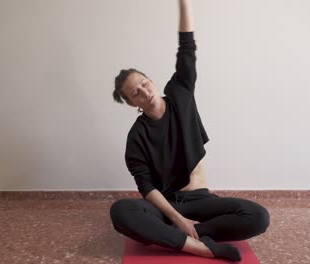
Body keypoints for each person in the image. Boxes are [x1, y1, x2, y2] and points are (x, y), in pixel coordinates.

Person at [110, 0, 269, 262]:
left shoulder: (180, 93)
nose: (144, 92)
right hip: (167, 206)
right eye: (135, 93)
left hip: (201, 200)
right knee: (121, 211)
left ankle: (177, 235)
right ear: (131, 103)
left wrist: (185, 3)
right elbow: (146, 186)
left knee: (258, 216)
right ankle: (200, 247)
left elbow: (187, 48)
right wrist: (177, 217)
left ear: (151, 79)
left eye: (143, 83)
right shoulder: (136, 137)